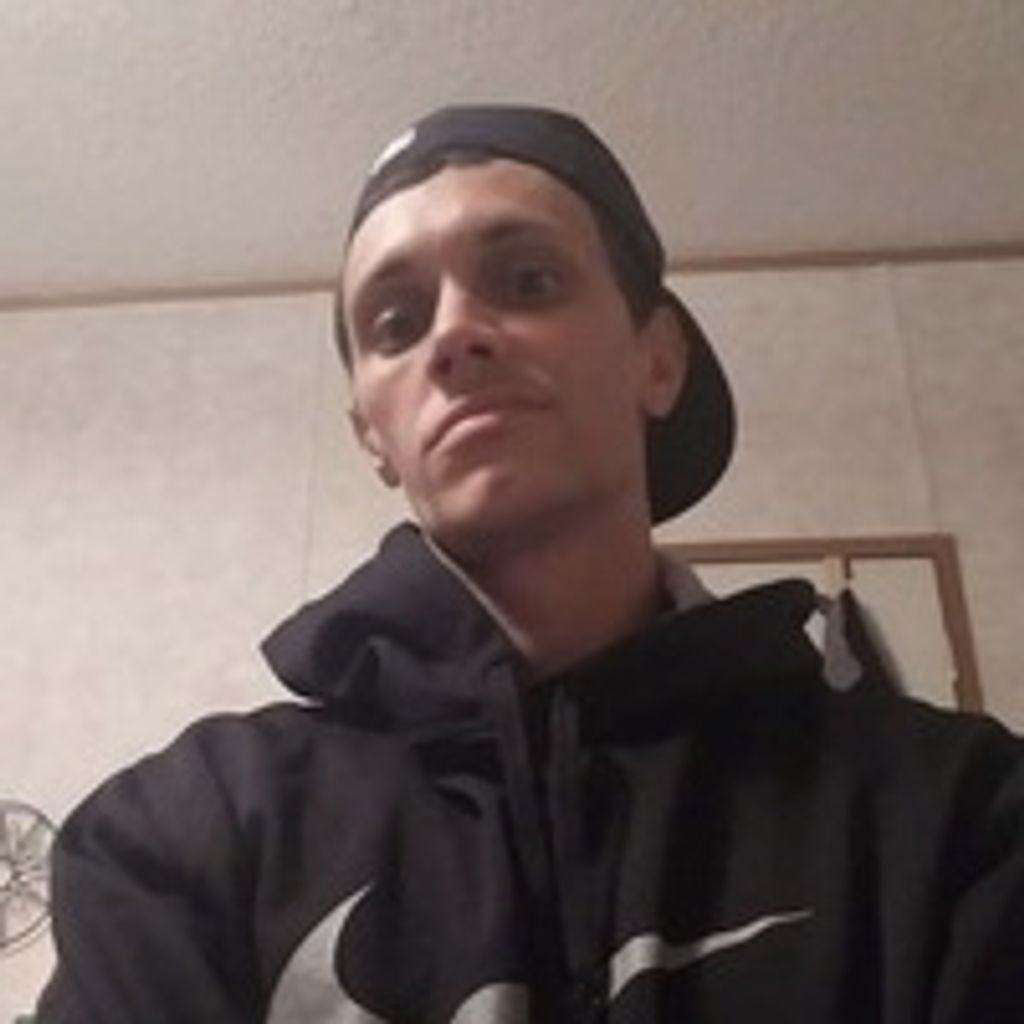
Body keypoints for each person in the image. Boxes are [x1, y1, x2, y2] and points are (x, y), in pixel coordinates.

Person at [38, 105, 1024, 1022]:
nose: (454, 336)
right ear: (371, 434)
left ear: (658, 359)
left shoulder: (956, 813)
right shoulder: (183, 834)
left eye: (528, 282)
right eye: (395, 323)